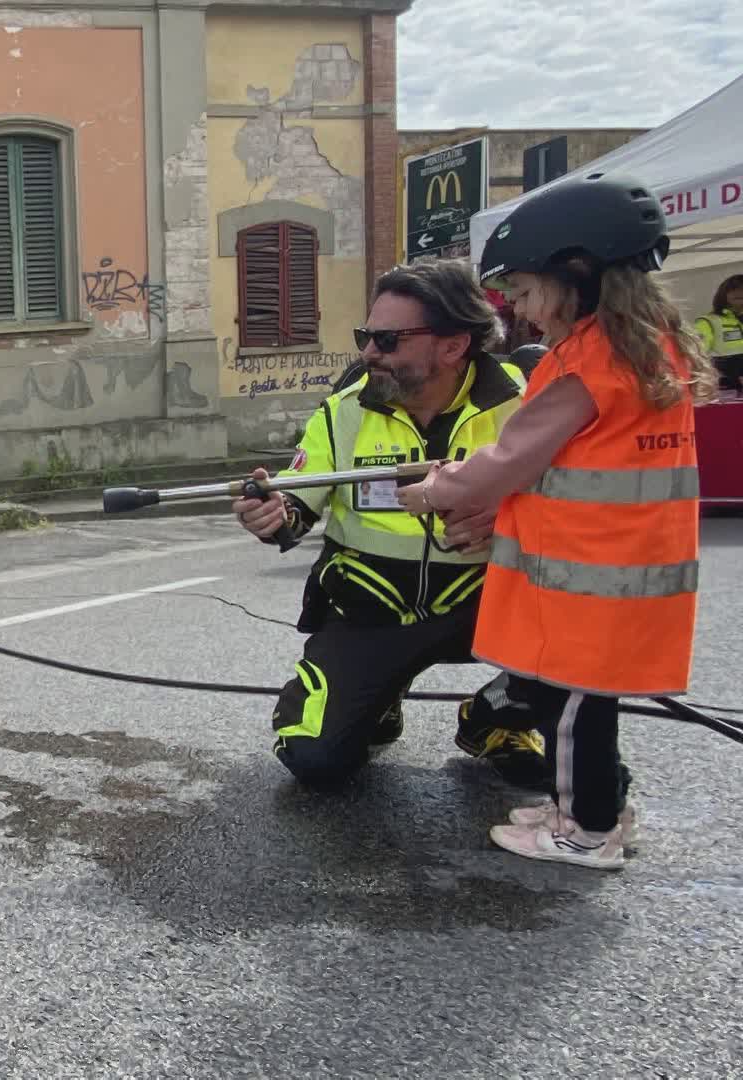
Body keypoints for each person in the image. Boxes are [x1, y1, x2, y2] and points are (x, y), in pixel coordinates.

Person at [398, 170, 715, 869]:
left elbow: (510, 458)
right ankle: (598, 805)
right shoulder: (649, 349)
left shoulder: (586, 366)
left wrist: (436, 487)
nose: (521, 312)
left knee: (570, 708)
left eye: (526, 293)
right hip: (622, 566)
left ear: (578, 272)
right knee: (575, 700)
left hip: (583, 573)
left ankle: (588, 829)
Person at [232, 258, 549, 789]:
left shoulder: (529, 400)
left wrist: (516, 519)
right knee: (315, 761)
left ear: (452, 346)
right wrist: (272, 516)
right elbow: (297, 504)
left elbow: (586, 507)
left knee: (584, 624)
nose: (368, 352)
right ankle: (379, 700)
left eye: (386, 340)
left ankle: (496, 715)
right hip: (370, 610)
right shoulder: (347, 408)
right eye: (366, 336)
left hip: (490, 605)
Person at [693, 273, 743, 392]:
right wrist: (731, 379)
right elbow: (696, 359)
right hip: (726, 391)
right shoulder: (707, 322)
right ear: (723, 297)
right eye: (738, 297)